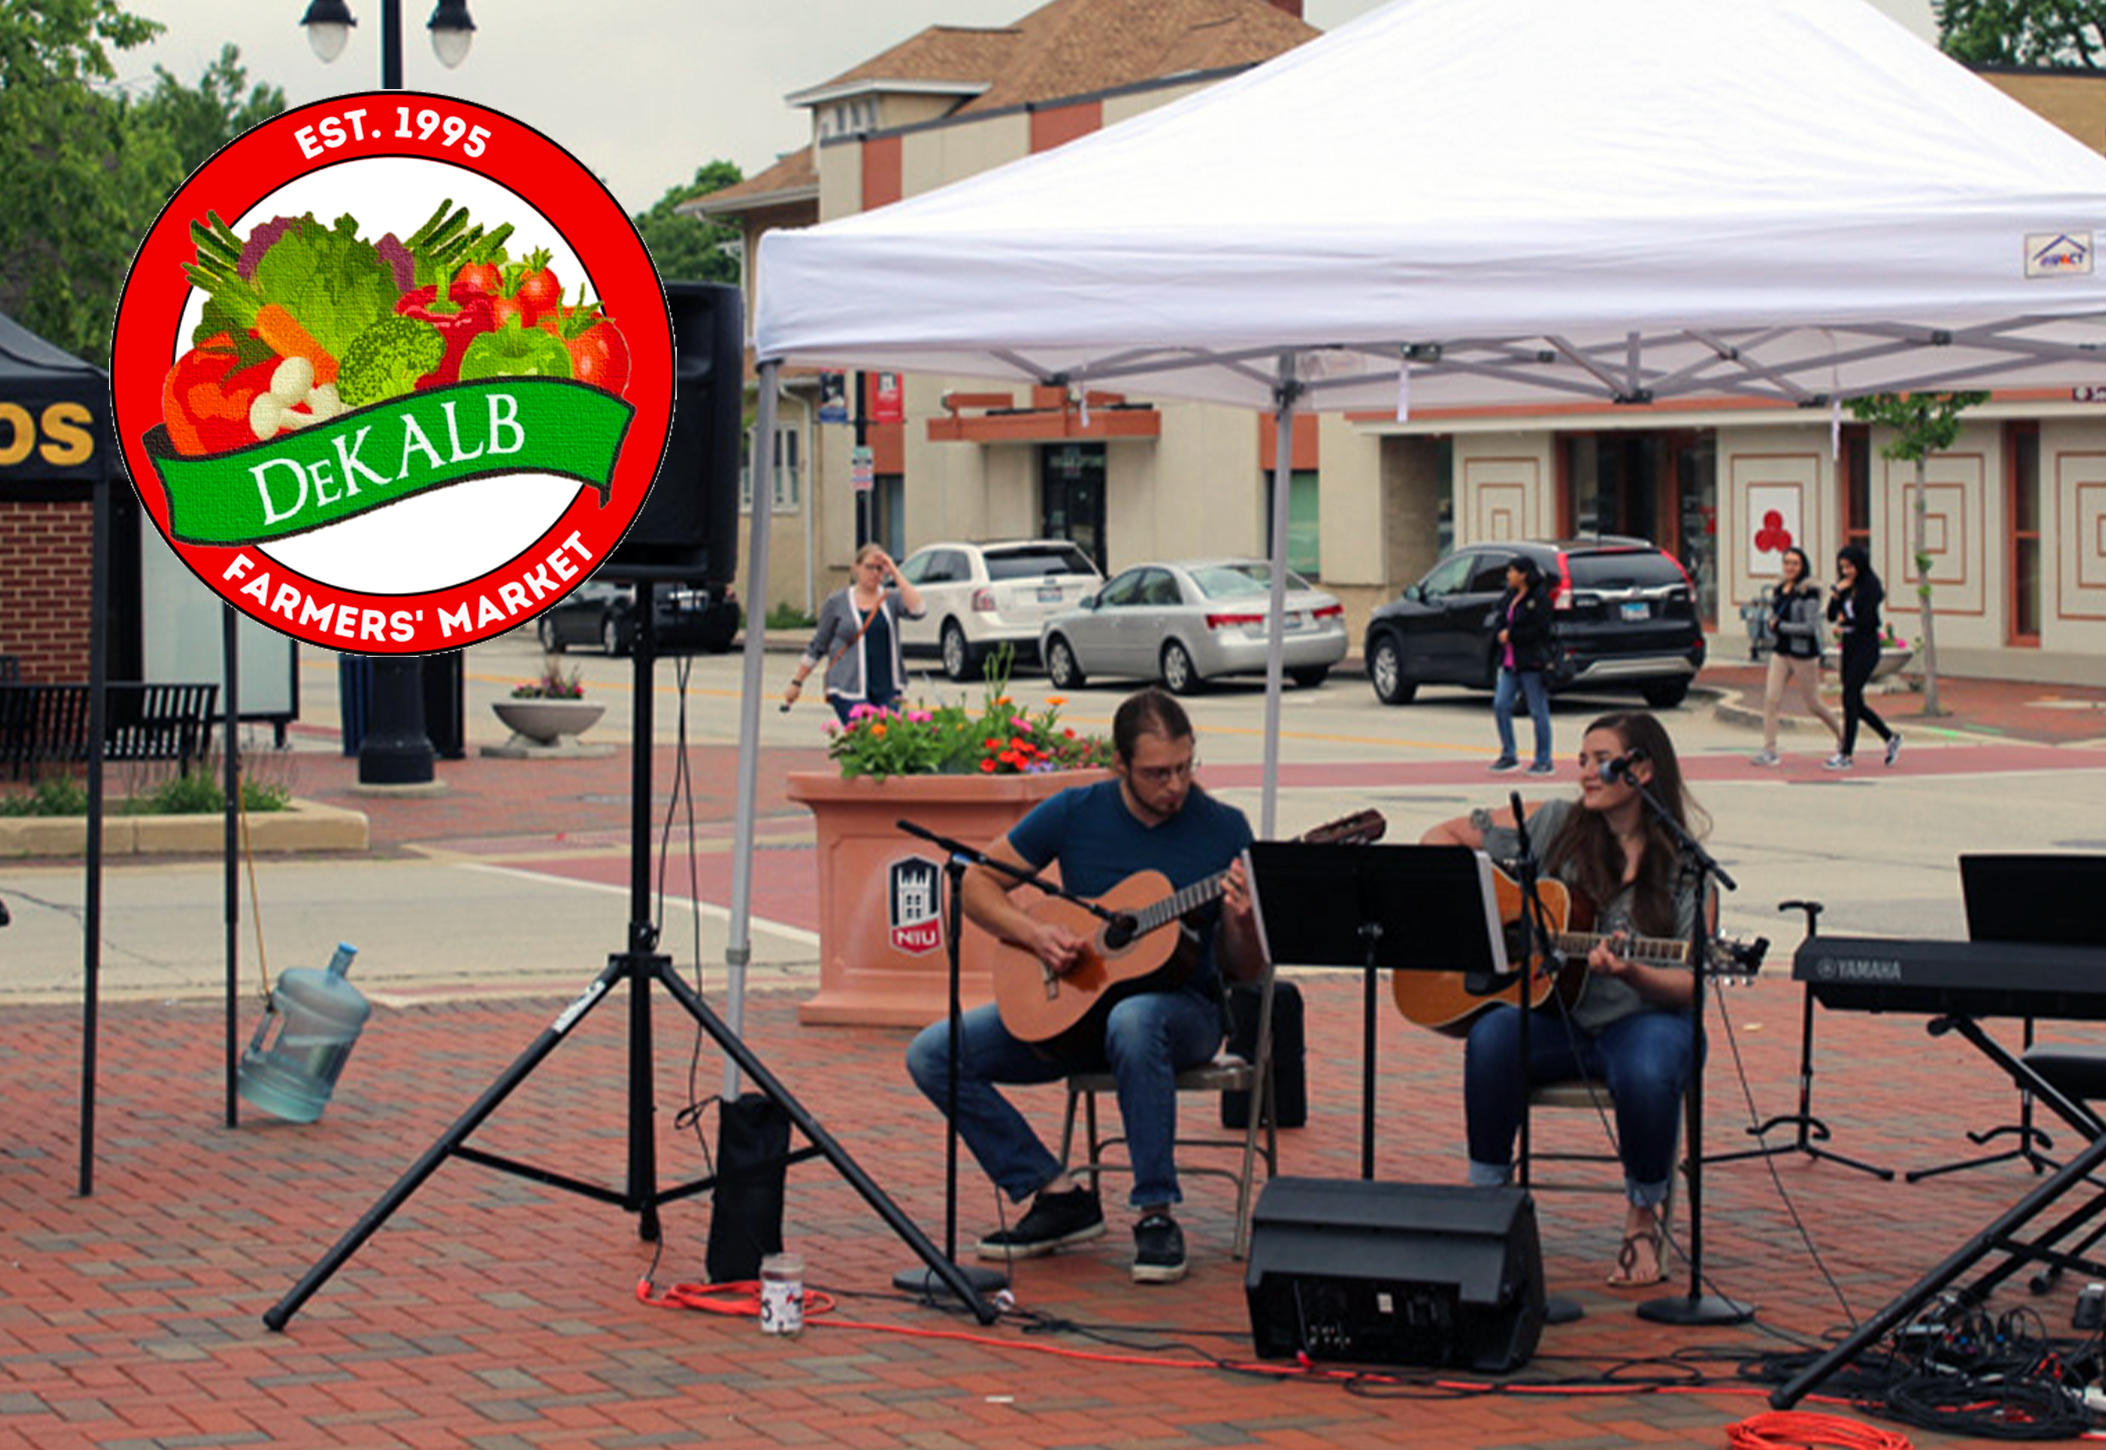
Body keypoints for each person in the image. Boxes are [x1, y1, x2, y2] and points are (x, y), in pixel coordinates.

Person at [904, 689, 1264, 1285]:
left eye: (1183, 767)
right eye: (1155, 773)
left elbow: (1243, 968)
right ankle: (1053, 1193)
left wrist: (1242, 920)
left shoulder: (1224, 829)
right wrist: (1036, 934)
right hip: (1077, 1009)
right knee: (933, 1053)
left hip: (1184, 1016)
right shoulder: (1075, 811)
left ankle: (1154, 1213)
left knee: (1136, 1019)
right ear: (1118, 765)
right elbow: (977, 886)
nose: (1174, 786)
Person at [1420, 710, 1713, 1289]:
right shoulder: (1556, 823)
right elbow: (1445, 836)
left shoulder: (1686, 865)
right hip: (1561, 1013)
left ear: (1644, 770)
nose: (1585, 774)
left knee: (1649, 1066)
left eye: (1600, 761)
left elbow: (1693, 983)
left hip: (1647, 1019)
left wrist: (1632, 974)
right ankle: (1489, 1209)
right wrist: (1484, 913)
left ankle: (1641, 1219)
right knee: (1493, 1037)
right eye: (1581, 760)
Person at [785, 543, 924, 725]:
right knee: (867, 736)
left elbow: (919, 610)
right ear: (856, 568)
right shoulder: (837, 602)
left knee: (886, 741)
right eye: (869, 567)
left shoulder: (891, 599)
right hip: (847, 686)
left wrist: (895, 573)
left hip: (887, 688)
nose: (874, 573)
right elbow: (819, 644)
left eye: (879, 569)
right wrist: (797, 682)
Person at [1750, 546, 1842, 766]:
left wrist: (1782, 626)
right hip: (1781, 652)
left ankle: (1843, 736)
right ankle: (1769, 749)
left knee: (1813, 703)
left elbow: (1810, 628)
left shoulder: (1809, 592)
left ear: (1803, 566)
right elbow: (1776, 616)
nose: (1790, 567)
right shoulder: (1780, 590)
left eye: (1795, 563)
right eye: (1787, 563)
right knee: (1771, 700)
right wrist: (1773, 625)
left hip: (1803, 654)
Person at [1825, 544, 1900, 770]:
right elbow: (1830, 615)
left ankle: (1846, 753)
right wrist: (1837, 594)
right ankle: (1890, 737)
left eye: (1850, 567)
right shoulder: (1845, 586)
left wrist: (1846, 622)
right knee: (1853, 701)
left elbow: (1868, 619)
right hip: (1849, 644)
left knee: (1850, 696)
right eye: (1842, 568)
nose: (1846, 571)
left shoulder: (1871, 586)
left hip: (1866, 645)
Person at [1489, 555, 1555, 776]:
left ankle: (1543, 759)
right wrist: (1499, 632)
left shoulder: (1539, 599)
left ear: (1524, 574)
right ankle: (1509, 754)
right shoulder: (1510, 596)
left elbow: (1540, 630)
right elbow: (1500, 618)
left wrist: (1513, 635)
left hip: (1531, 661)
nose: (1508, 576)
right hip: (1509, 662)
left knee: (1538, 711)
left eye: (1512, 571)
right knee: (1501, 704)